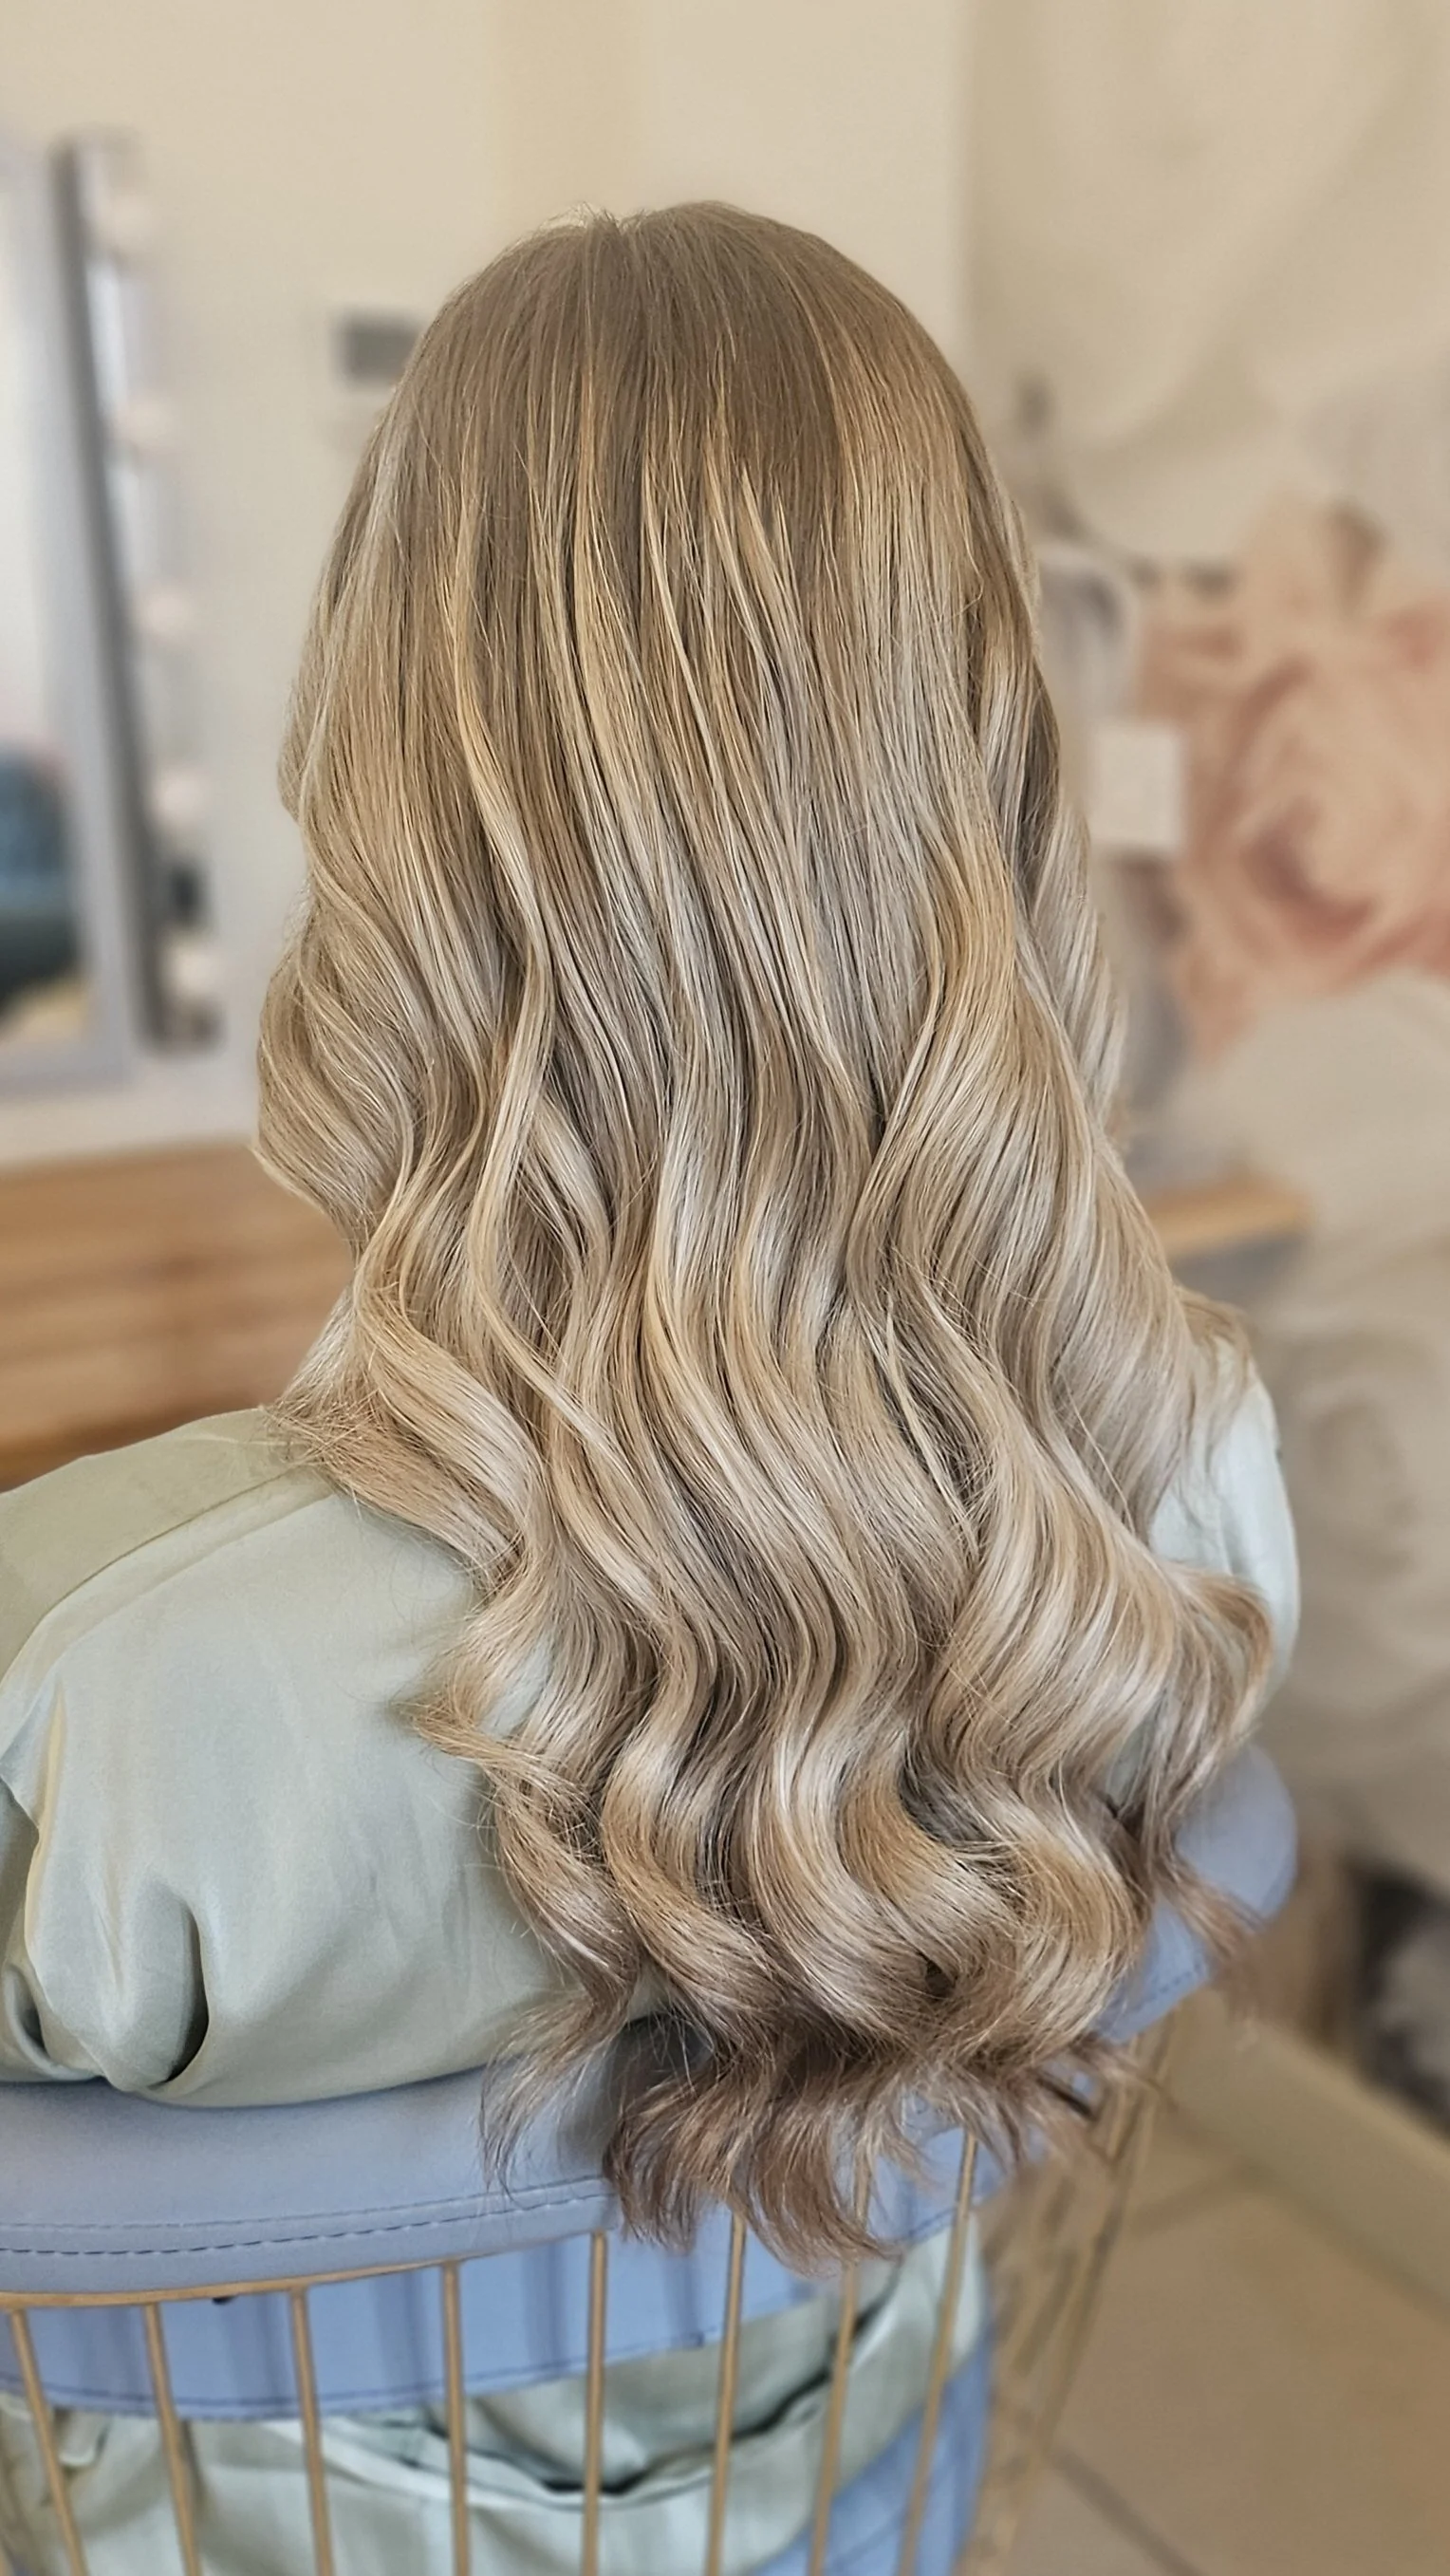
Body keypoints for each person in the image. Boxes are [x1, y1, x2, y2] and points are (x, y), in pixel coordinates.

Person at [0, 204, 1297, 2573]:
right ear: (980, 762)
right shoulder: (1194, 1476)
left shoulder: (101, 1680)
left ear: (386, 791)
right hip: (876, 2469)